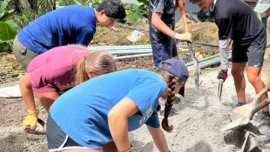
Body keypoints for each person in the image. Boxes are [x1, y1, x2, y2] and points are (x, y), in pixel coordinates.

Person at [46, 58, 189, 152]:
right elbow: (116, 115)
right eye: (178, 90)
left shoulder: (149, 98)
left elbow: (156, 133)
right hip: (70, 122)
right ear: (176, 83)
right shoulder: (155, 83)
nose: (175, 94)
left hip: (84, 123)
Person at [188, 0, 270, 134]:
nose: (200, 7)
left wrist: (223, 69)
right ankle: (241, 105)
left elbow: (223, 44)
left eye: (201, 3)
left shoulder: (222, 14)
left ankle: (266, 114)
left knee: (253, 76)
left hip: (254, 35)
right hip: (239, 34)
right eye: (197, 4)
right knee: (236, 72)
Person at [19, 45, 117, 131]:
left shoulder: (94, 62)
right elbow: (23, 82)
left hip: (67, 71)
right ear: (90, 73)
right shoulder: (56, 71)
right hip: (44, 78)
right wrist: (32, 113)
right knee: (63, 114)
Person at [13, 0, 126, 69]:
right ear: (102, 13)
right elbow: (78, 57)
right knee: (48, 81)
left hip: (24, 39)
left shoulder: (85, 11)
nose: (111, 25)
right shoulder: (87, 27)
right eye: (111, 21)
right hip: (30, 47)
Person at [148, 0, 191, 99]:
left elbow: (161, 10)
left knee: (176, 67)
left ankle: (173, 95)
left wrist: (175, 5)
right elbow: (155, 19)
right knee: (165, 74)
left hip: (167, 36)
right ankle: (161, 105)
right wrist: (177, 35)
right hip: (161, 39)